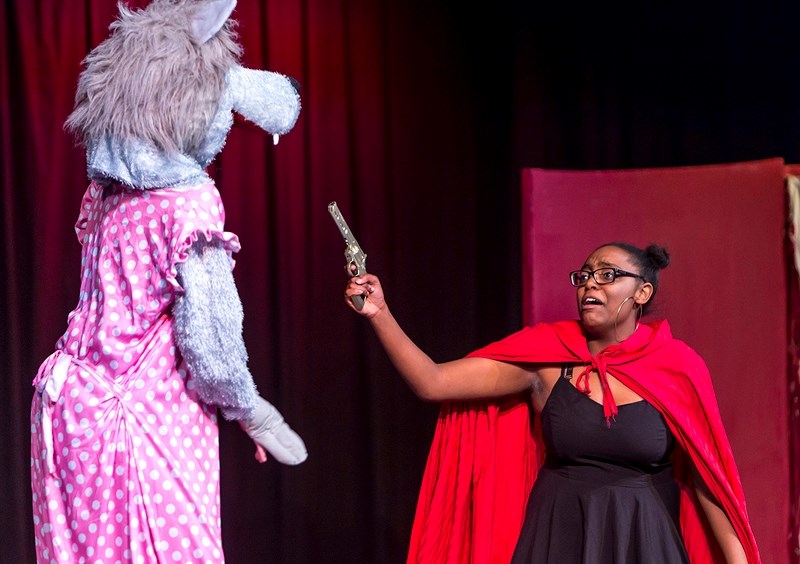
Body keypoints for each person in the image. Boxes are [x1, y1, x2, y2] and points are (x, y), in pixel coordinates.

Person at [29, 1, 307, 562]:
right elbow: (211, 339)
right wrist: (248, 408)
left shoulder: (108, 195)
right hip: (139, 425)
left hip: (67, 409)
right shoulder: (186, 205)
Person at [344, 242, 759, 563]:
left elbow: (710, 484)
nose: (591, 283)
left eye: (608, 274)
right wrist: (379, 313)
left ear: (642, 292)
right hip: (558, 534)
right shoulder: (546, 359)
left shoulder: (677, 367)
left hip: (643, 538)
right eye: (584, 276)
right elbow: (432, 382)